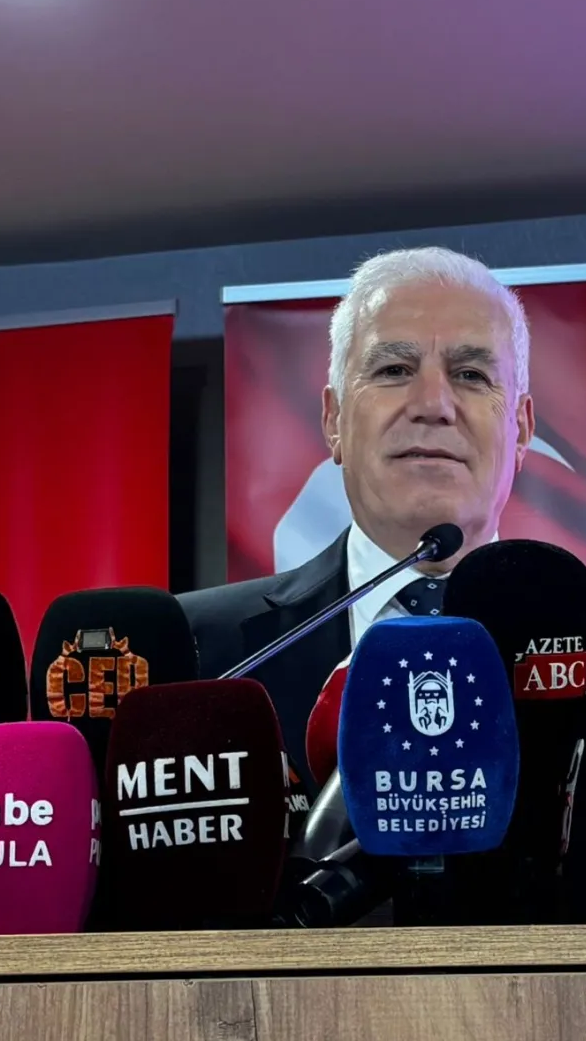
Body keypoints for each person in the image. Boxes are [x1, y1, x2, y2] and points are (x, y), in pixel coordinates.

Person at [179, 246, 534, 789]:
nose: (433, 404)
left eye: (470, 374)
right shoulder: (197, 652)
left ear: (522, 429)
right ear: (334, 421)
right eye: (394, 370)